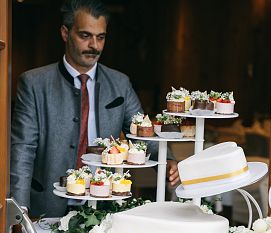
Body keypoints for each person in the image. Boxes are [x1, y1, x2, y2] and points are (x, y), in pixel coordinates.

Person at [10, 0, 179, 218]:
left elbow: (141, 133)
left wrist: (168, 162)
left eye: (101, 37)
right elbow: (23, 148)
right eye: (85, 35)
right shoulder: (34, 83)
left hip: (104, 208)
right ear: (65, 33)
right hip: (46, 206)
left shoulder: (120, 83)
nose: (94, 46)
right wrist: (18, 207)